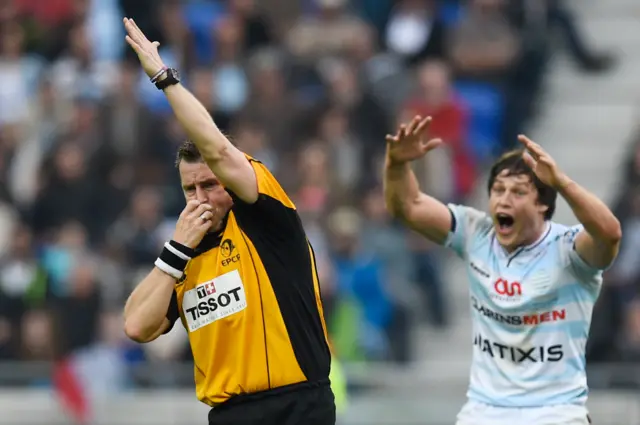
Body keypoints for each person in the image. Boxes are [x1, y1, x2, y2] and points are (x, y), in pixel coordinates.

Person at [120, 18, 335, 425]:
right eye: (189, 189)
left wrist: (165, 79)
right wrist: (174, 253)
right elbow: (135, 326)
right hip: (228, 415)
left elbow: (217, 151)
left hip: (297, 407)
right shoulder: (182, 254)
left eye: (209, 185)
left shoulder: (263, 216)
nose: (200, 198)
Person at [383, 115, 621, 425]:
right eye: (497, 190)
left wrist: (561, 182)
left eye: (518, 192)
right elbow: (408, 205)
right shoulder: (475, 233)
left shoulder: (570, 250)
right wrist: (397, 164)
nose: (503, 200)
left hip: (556, 413)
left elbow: (610, 233)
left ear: (542, 205)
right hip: (484, 412)